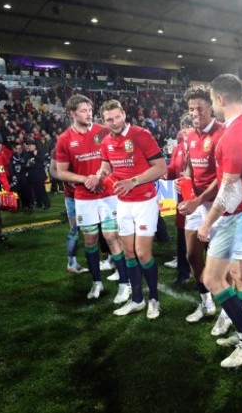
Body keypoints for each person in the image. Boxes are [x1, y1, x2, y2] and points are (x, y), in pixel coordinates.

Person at [196, 74, 242, 368]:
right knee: (240, 275)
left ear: (220, 99)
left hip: (238, 214)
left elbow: (230, 187)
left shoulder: (236, 133)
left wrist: (207, 222)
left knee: (212, 278)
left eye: (211, 99)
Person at [55, 95, 130, 304]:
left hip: (107, 195)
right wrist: (84, 179)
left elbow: (117, 158)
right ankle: (96, 282)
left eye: (90, 110)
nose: (88, 114)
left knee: (112, 236)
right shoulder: (64, 139)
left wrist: (102, 176)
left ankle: (125, 285)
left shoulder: (103, 131)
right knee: (90, 240)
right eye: (83, 110)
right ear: (72, 113)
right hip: (84, 198)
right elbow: (60, 172)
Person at [96, 99, 167, 319]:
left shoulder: (141, 134)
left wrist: (133, 181)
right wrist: (101, 174)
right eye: (109, 119)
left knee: (144, 253)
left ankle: (154, 299)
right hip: (123, 202)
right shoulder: (106, 141)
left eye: (117, 117)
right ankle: (137, 300)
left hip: (145, 201)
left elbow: (161, 168)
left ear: (124, 114)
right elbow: (106, 165)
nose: (115, 122)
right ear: (104, 121)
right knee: (129, 253)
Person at [177, 85, 226, 325]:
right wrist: (185, 182)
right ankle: (207, 303)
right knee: (192, 255)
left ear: (211, 108)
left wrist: (198, 199)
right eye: (191, 109)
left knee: (221, 264)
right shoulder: (190, 136)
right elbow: (189, 164)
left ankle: (228, 312)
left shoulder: (222, 134)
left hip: (218, 204)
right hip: (197, 203)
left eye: (200, 108)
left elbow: (223, 178)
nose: (194, 113)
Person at [164, 116, 193, 287]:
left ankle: (208, 276)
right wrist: (165, 175)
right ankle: (183, 274)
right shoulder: (179, 148)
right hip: (181, 200)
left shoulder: (201, 147)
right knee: (182, 238)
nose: (185, 129)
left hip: (198, 200)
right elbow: (172, 169)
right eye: (183, 126)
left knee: (203, 240)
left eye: (188, 126)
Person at [25, 138, 51, 209]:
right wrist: (26, 165)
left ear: (34, 146)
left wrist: (36, 155)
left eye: (30, 145)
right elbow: (26, 164)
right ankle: (39, 204)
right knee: (35, 191)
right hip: (32, 176)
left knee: (42, 190)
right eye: (28, 145)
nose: (29, 147)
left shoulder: (39, 152)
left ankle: (46, 204)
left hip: (39, 175)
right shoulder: (28, 154)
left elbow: (43, 161)